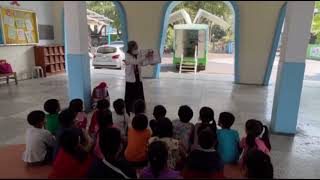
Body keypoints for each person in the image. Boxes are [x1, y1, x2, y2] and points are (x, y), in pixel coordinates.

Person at [124, 41, 153, 114]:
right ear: (131, 48)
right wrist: (145, 56)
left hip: (138, 78)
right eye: (135, 47)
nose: (137, 48)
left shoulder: (138, 54)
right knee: (130, 97)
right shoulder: (127, 55)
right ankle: (130, 110)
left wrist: (149, 61)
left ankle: (140, 109)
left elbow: (141, 63)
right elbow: (135, 62)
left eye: (137, 47)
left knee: (139, 95)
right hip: (130, 80)